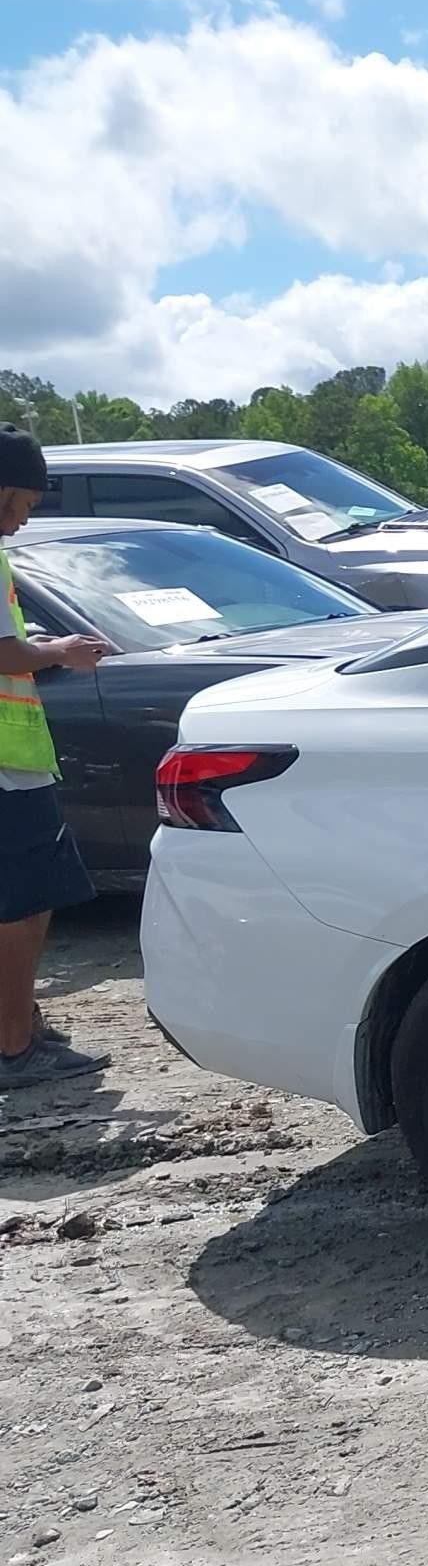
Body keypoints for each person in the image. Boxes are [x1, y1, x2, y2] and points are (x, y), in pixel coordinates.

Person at [0, 424, 114, 1090]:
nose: (22, 521)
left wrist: (36, 643)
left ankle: (15, 1028)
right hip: (8, 773)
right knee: (24, 906)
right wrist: (59, 652)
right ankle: (16, 1046)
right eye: (24, 505)